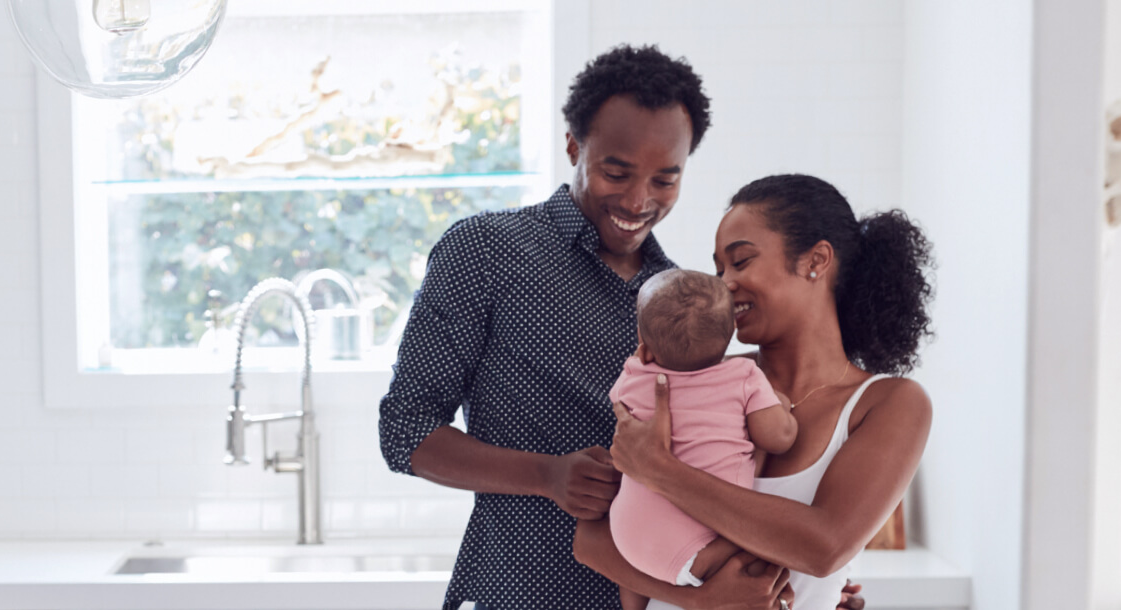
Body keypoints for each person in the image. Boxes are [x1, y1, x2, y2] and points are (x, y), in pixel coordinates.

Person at [379, 45, 866, 609]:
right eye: (616, 171)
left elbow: (727, 466)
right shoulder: (486, 252)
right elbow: (406, 432)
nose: (638, 200)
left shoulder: (682, 303)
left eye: (665, 180)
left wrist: (813, 590)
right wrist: (548, 475)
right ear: (573, 146)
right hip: (519, 592)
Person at [575, 174, 932, 610]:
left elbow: (823, 548)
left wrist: (661, 471)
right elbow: (592, 537)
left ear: (815, 261)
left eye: (740, 262)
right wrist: (701, 599)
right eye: (718, 268)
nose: (722, 284)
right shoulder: (692, 380)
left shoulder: (888, 404)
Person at [608, 268, 798, 608]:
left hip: (625, 535)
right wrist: (781, 405)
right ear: (729, 339)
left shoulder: (635, 374)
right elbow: (779, 438)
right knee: (769, 545)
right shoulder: (744, 376)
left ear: (644, 345)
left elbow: (620, 405)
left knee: (640, 554)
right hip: (700, 547)